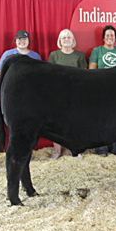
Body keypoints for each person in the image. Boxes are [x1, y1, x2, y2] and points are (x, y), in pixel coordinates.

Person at [47, 29, 87, 159]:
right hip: (58, 94)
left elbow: (85, 76)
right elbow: (49, 76)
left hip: (75, 94)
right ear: (60, 40)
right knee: (57, 123)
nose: (66, 39)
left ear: (73, 40)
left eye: (69, 37)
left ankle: (75, 149)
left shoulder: (79, 56)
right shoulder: (54, 55)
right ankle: (57, 150)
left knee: (75, 122)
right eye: (64, 37)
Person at [89, 25, 116, 156]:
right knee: (100, 119)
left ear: (115, 38)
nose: (110, 37)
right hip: (100, 89)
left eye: (112, 35)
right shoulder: (97, 51)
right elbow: (92, 70)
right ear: (103, 38)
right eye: (108, 35)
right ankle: (101, 149)